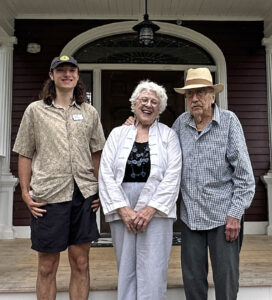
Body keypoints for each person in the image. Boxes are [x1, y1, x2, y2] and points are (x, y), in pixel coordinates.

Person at [13, 55, 105, 300]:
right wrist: (24, 192)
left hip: (83, 195)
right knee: (46, 266)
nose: (67, 74)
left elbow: (97, 153)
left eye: (71, 70)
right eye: (61, 70)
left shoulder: (89, 113)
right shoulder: (35, 111)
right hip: (48, 196)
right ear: (52, 76)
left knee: (81, 262)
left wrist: (101, 190)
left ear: (77, 76)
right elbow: (24, 153)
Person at [172, 67, 255, 300]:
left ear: (212, 95)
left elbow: (244, 177)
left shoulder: (228, 122)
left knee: (226, 281)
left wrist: (235, 215)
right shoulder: (180, 124)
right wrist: (134, 124)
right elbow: (161, 150)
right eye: (190, 94)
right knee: (193, 281)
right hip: (191, 216)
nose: (195, 99)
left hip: (224, 218)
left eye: (200, 93)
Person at [98, 80, 182, 300]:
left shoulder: (168, 135)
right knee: (126, 267)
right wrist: (124, 209)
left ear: (160, 109)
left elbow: (173, 175)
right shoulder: (117, 134)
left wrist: (150, 209)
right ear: (134, 104)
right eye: (144, 99)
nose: (148, 104)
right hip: (122, 206)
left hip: (157, 210)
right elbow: (105, 173)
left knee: (154, 268)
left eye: (154, 102)